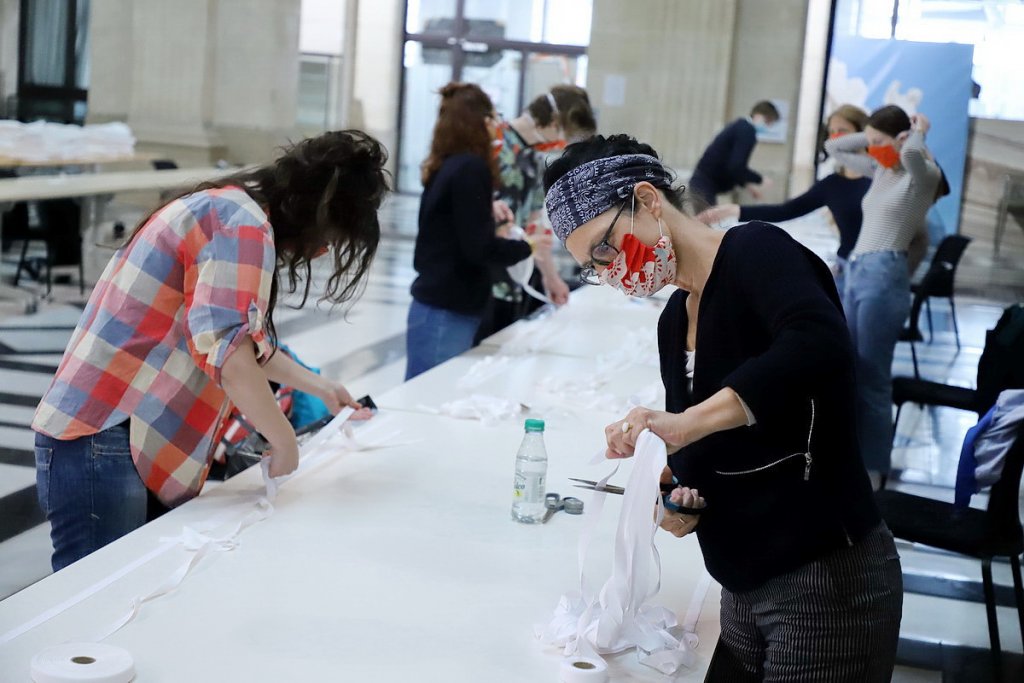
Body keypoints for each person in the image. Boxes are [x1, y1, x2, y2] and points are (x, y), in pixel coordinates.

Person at [543, 134, 902, 681]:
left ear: (646, 200)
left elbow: (817, 344)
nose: (611, 271)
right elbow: (708, 453)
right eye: (594, 267)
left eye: (605, 247)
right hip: (740, 582)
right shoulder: (673, 321)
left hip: (823, 574)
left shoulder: (755, 252)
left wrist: (684, 424)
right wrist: (674, 494)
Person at [32, 130, 388, 571]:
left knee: (117, 593)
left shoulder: (232, 211)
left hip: (111, 436)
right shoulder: (240, 221)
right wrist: (283, 441)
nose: (323, 250)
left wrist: (322, 387)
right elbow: (232, 356)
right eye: (331, 234)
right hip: (105, 437)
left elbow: (239, 342)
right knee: (93, 605)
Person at [825, 105, 943, 484]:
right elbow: (836, 148)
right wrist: (875, 136)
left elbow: (909, 154)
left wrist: (917, 132)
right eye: (871, 142)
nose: (872, 149)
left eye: (879, 142)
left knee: (873, 378)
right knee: (847, 367)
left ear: (903, 140)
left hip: (884, 275)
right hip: (857, 272)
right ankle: (850, 453)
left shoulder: (922, 176)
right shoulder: (882, 171)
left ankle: (874, 469)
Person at [406, 82, 551, 380]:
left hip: (439, 302)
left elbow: (460, 231)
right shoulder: (471, 169)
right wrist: (528, 247)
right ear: (483, 122)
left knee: (430, 390)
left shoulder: (448, 165)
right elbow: (478, 248)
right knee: (433, 394)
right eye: (494, 118)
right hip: (448, 306)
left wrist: (493, 219)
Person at [698, 105, 871, 294]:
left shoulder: (880, 178)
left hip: (872, 270)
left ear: (862, 134)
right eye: (832, 132)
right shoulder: (832, 184)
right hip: (844, 269)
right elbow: (786, 210)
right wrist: (735, 210)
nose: (836, 137)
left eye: (843, 131)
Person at [474, 85, 598, 342]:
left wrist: (550, 278)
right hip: (481, 281)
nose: (564, 143)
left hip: (513, 280)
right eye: (568, 134)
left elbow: (535, 226)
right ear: (553, 122)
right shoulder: (492, 144)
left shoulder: (533, 158)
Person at [688, 100, 778, 206]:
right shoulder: (747, 131)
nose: (768, 127)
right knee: (705, 220)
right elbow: (736, 166)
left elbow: (734, 167)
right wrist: (760, 179)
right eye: (768, 122)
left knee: (708, 219)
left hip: (702, 183)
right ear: (758, 115)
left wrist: (749, 186)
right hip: (705, 184)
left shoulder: (740, 126)